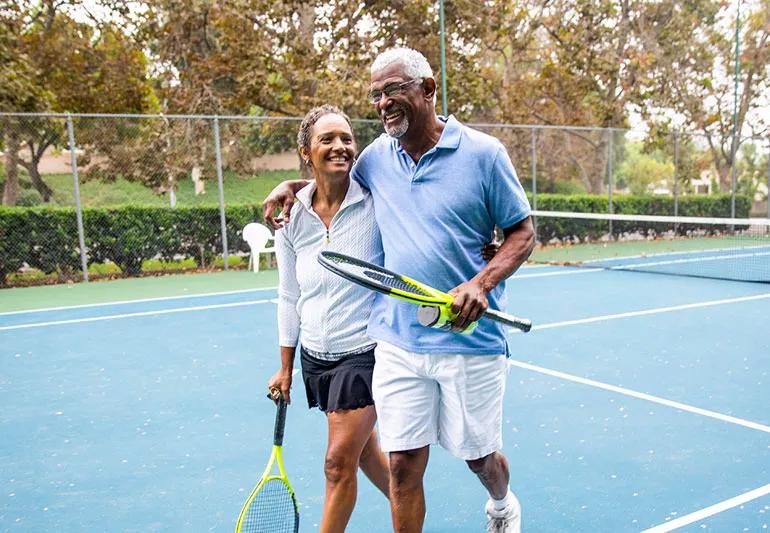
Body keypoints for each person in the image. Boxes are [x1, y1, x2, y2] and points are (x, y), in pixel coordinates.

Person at [264, 48, 535, 533]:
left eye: (393, 90)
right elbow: (330, 179)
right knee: (404, 467)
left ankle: (501, 502)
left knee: (479, 458)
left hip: (469, 342)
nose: (384, 102)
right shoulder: (375, 159)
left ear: (428, 89)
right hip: (397, 342)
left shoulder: (484, 153)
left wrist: (482, 282)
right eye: (376, 94)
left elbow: (522, 233)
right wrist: (289, 185)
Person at [267, 105, 390, 533]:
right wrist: (286, 366)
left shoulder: (376, 198)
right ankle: (406, 500)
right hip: (317, 357)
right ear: (306, 151)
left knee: (338, 463)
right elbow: (289, 295)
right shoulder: (290, 215)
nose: (340, 146)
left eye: (346, 138)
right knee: (364, 452)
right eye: (327, 139)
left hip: (365, 351)